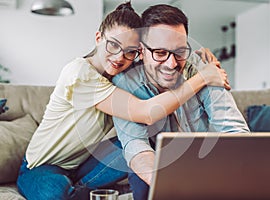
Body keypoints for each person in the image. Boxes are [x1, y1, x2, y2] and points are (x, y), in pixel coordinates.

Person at [17, 2, 229, 200]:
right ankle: (84, 191)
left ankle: (88, 190)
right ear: (99, 38)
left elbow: (165, 58)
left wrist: (201, 61)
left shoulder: (123, 77)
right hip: (41, 166)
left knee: (140, 144)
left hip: (82, 165)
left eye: (130, 52)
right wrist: (203, 78)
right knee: (55, 192)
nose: (120, 57)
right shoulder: (79, 72)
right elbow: (147, 113)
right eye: (113, 45)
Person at [112, 4, 250, 200]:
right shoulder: (125, 83)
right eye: (160, 53)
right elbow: (136, 147)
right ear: (141, 51)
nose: (172, 64)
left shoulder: (205, 69)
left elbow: (234, 131)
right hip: (159, 167)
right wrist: (174, 185)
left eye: (179, 52)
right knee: (139, 179)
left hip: (210, 164)